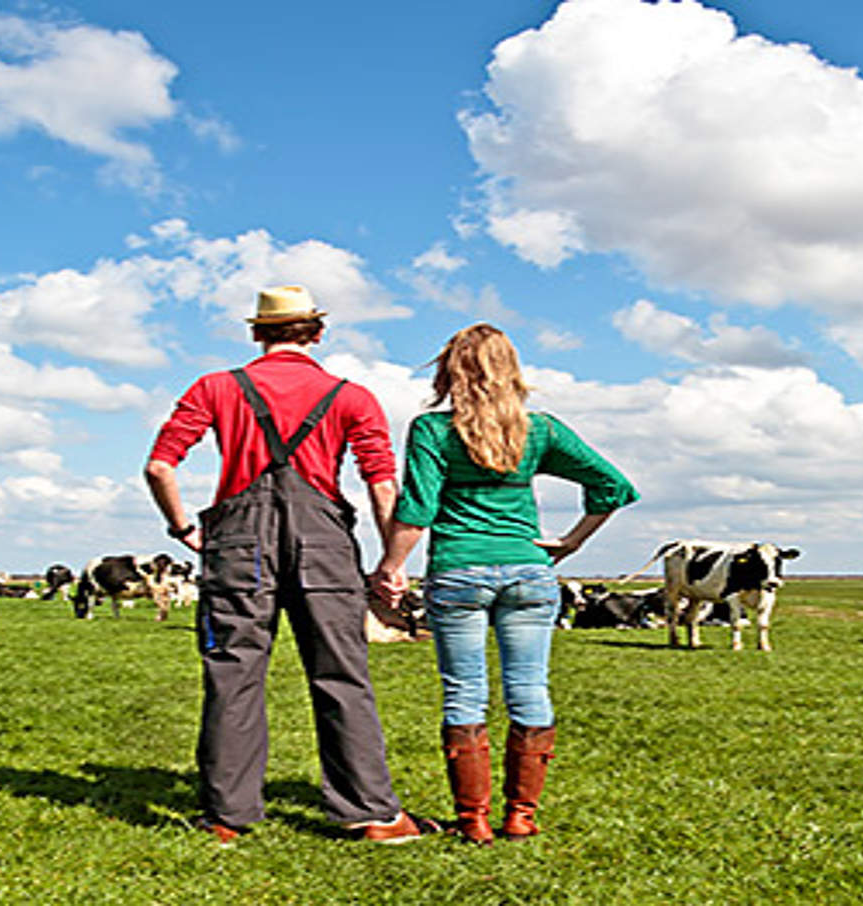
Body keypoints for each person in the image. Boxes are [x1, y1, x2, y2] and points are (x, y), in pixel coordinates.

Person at [144, 285, 437, 845]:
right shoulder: (351, 396)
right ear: (318, 334)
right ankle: (371, 814)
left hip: (236, 543)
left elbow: (159, 467)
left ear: (257, 334)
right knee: (341, 674)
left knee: (233, 674)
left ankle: (227, 818)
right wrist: (390, 561)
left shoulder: (215, 387)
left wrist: (182, 527)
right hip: (323, 545)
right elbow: (381, 484)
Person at [372, 323, 638, 846]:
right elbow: (614, 485)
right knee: (529, 690)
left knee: (463, 694)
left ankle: (473, 820)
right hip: (529, 573)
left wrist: (391, 566)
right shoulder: (540, 430)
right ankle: (521, 816)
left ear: (452, 372)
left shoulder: (431, 431)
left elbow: (416, 510)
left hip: (458, 572)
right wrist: (571, 542)